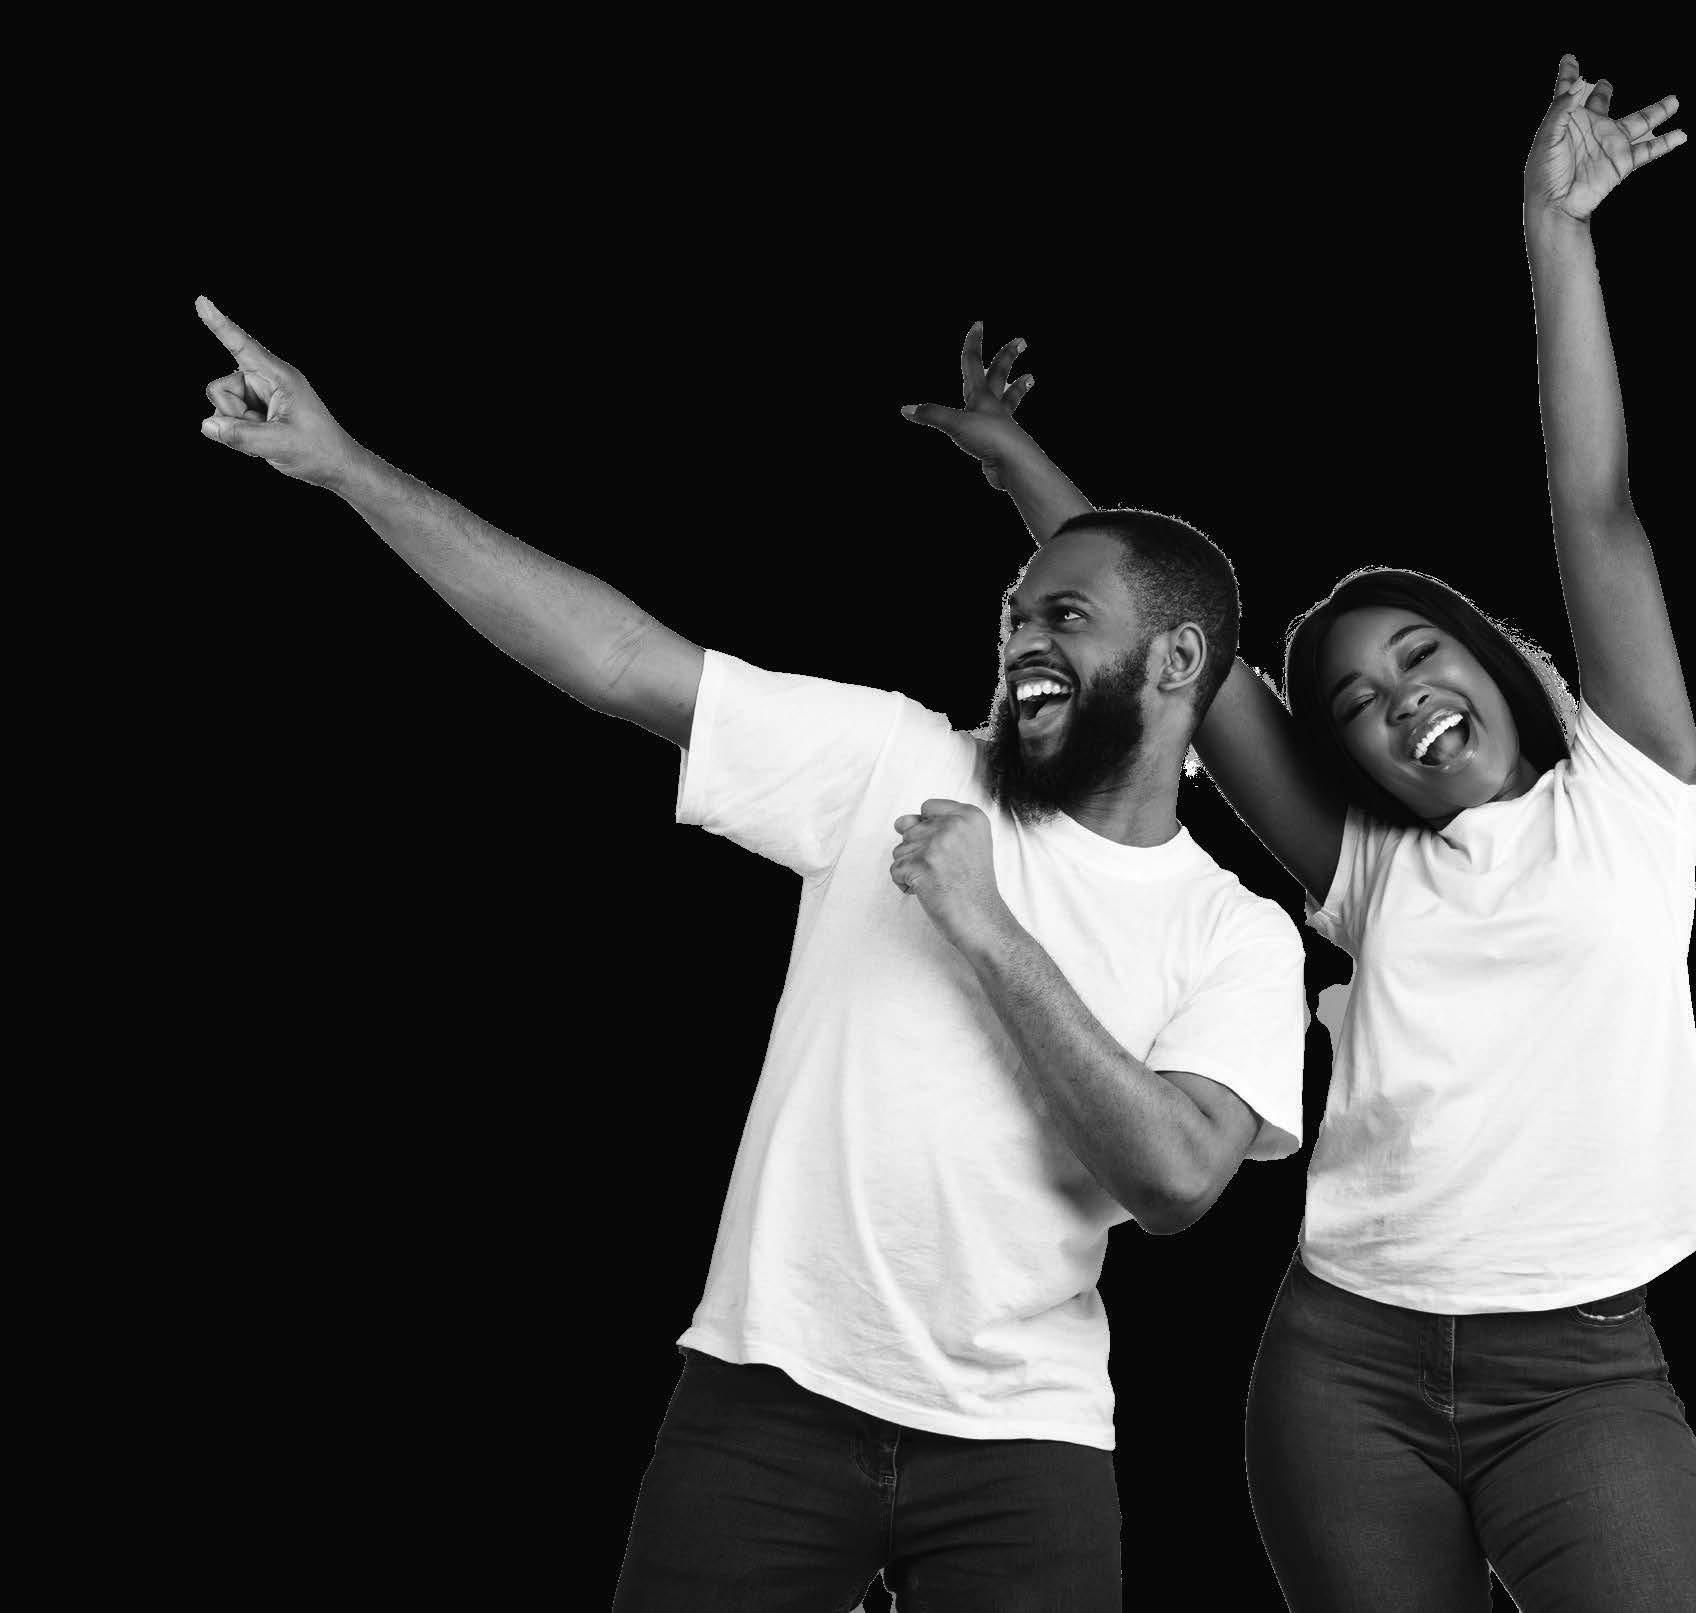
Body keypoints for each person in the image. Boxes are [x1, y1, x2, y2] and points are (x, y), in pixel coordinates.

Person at [193, 297, 1308, 1602]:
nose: (1020, 641)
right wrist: (347, 467)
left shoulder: (1235, 930)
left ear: (1178, 661)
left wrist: (988, 928)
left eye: (1065, 617)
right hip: (767, 1400)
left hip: (1024, 1441)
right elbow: (621, 658)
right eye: (1015, 615)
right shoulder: (897, 760)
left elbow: (1176, 1179)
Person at [905, 54, 1695, 1611]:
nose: (1400, 702)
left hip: (1583, 1370)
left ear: (1492, 661)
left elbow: (1593, 501)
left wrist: (1555, 231)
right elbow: (1182, 664)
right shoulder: (1372, 872)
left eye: (1419, 655)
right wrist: (1023, 468)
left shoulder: (1636, 793)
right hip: (1346, 1368)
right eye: (1355, 704)